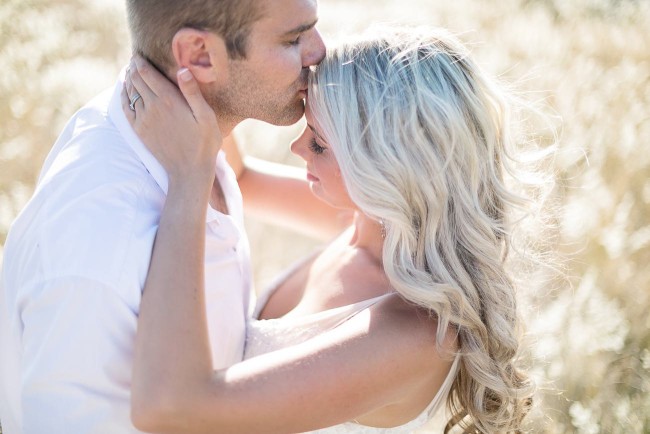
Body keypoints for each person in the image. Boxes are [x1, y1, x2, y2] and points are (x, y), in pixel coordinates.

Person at [123, 26, 536, 433]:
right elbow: (243, 177)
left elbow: (171, 409)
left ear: (388, 169)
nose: (296, 148)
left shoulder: (414, 336)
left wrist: (187, 182)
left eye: (319, 143)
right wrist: (201, 68)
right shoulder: (368, 221)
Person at [0, 0, 326, 432]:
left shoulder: (189, 135)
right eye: (293, 39)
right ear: (198, 55)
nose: (319, 51)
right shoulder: (99, 247)